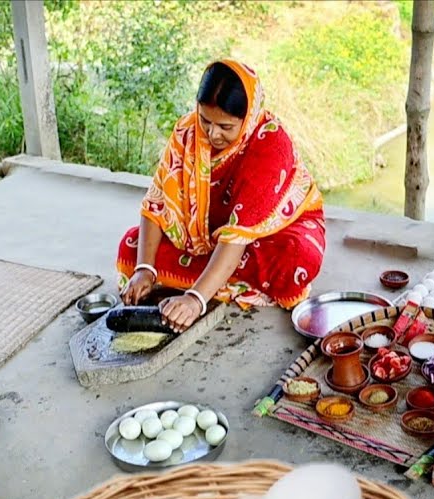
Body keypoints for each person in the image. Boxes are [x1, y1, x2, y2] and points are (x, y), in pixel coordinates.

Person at [117, 59, 327, 331]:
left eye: (225, 127)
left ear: (248, 115)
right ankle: (216, 278)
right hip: (208, 237)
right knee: (132, 245)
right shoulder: (187, 132)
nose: (212, 134)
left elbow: (236, 236)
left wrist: (195, 300)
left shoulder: (271, 144)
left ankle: (204, 282)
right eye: (205, 120)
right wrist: (145, 268)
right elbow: (157, 204)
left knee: (297, 259)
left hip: (271, 235)